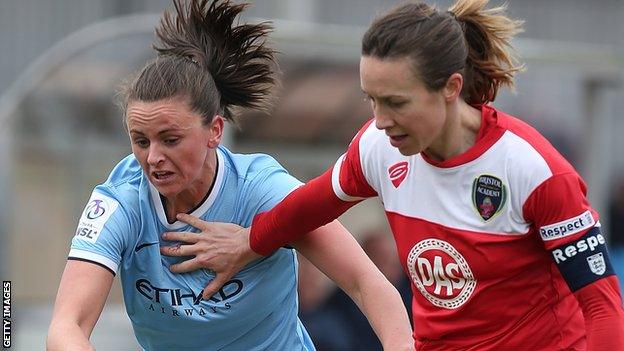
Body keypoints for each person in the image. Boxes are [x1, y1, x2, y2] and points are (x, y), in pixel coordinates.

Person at [174, 0, 624, 350]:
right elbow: (313, 203)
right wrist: (250, 242)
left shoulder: (532, 171)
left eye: (397, 102)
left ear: (450, 88)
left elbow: (603, 308)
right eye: (372, 99)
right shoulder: (379, 146)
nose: (381, 119)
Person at [46, 1, 414, 350]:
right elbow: (68, 325)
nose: (153, 157)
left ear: (215, 131)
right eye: (140, 141)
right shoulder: (121, 201)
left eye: (170, 139)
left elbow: (366, 283)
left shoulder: (261, 189)